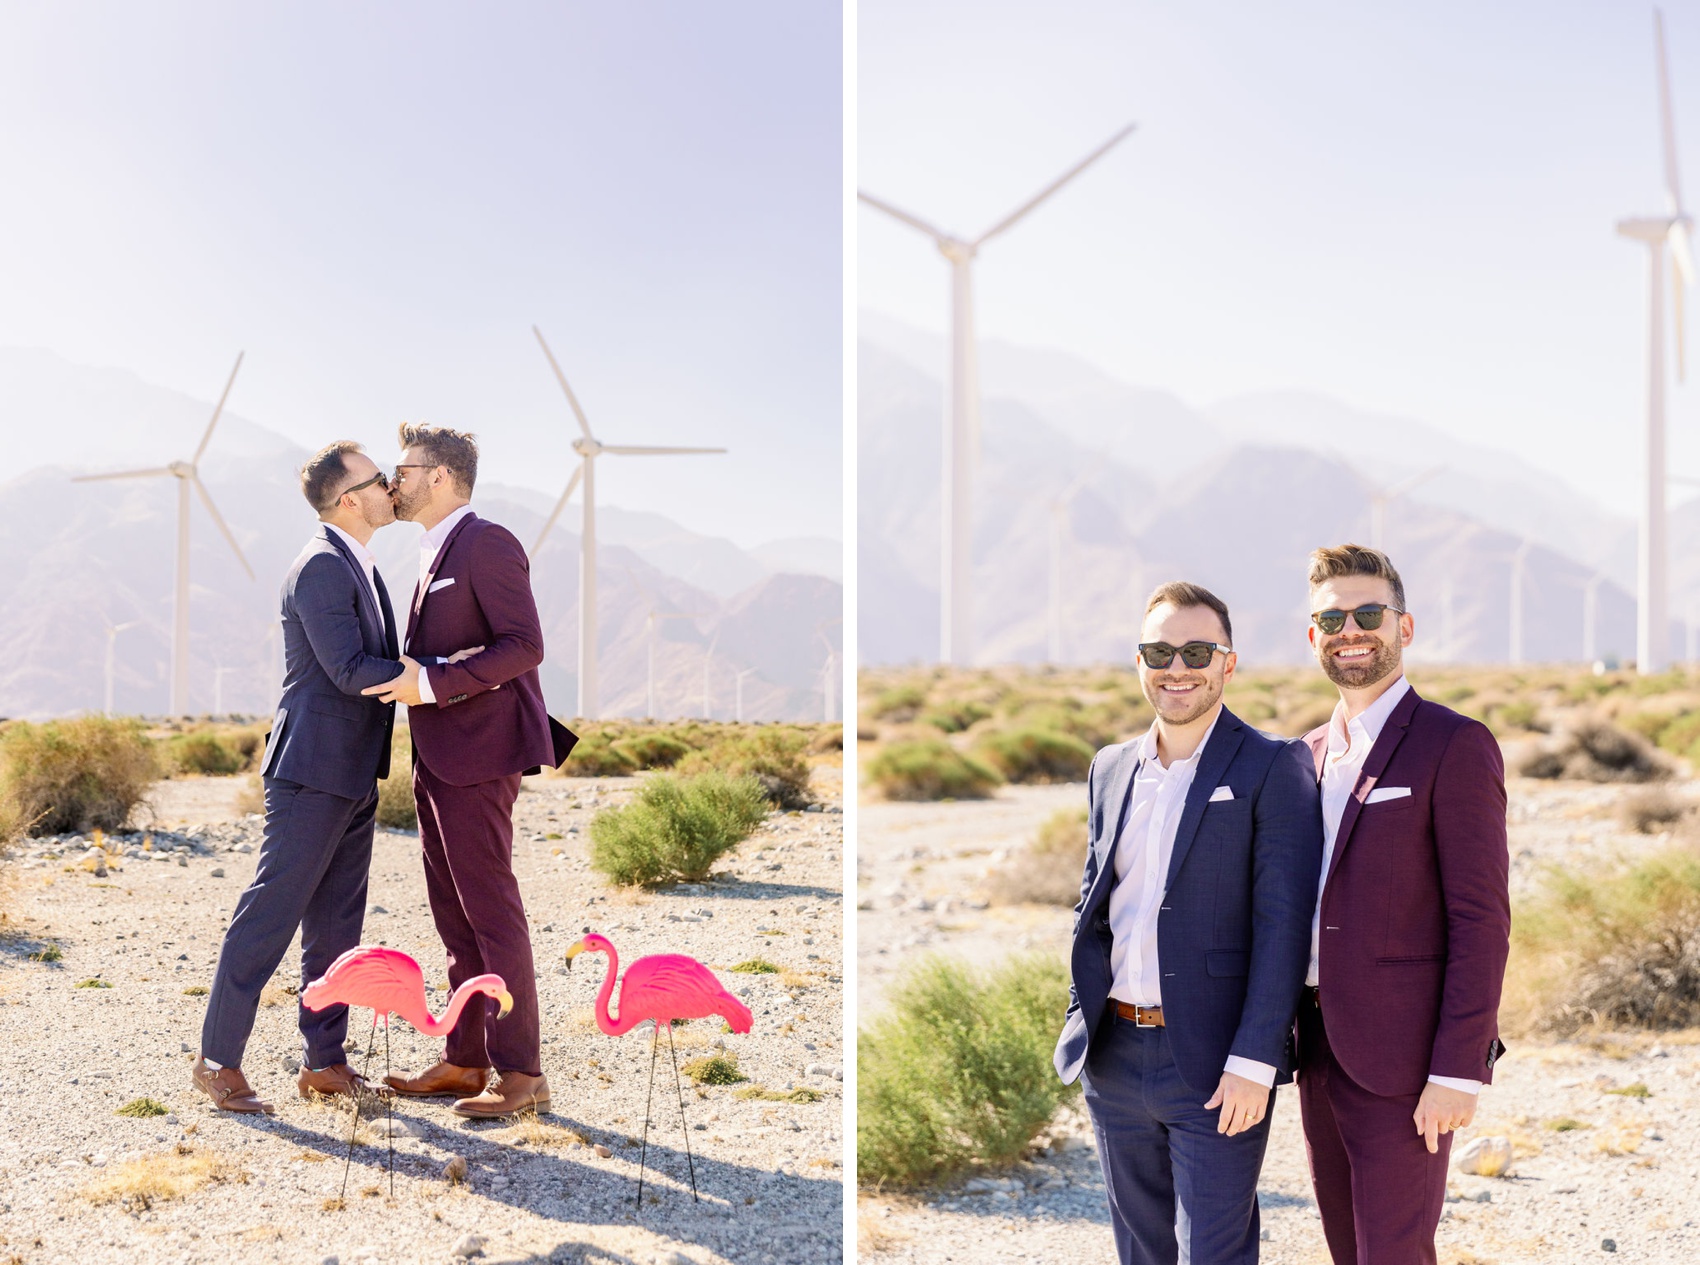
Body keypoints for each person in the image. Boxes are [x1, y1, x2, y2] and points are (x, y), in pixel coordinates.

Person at [1055, 582, 1322, 1265]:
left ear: (1228, 663)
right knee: (1142, 1251)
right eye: (1160, 650)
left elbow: (1283, 926)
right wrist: (1078, 1015)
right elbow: (1096, 908)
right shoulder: (1110, 767)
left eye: (1198, 650)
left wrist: (1256, 1058)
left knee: (1214, 1251)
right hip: (1113, 1055)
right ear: (1139, 662)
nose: (1179, 667)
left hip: (1214, 1062)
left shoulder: (1271, 764)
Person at [1296, 544, 1510, 1265]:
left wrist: (1459, 1068)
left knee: (1393, 1253)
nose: (1350, 629)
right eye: (1332, 617)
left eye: (1367, 613)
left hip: (1407, 1062)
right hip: (1317, 1053)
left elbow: (1481, 919)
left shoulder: (1455, 743)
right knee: (1346, 1250)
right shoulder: (1306, 754)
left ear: (1404, 627)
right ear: (1312, 635)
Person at [194, 442, 409, 1113]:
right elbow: (348, 669)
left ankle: (325, 1062)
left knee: (337, 927)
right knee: (271, 914)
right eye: (379, 479)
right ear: (349, 499)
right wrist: (433, 681)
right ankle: (216, 1058)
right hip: (312, 771)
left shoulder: (362, 567)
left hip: (351, 773)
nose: (391, 485)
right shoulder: (320, 566)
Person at [368, 423, 574, 1118]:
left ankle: (522, 1073)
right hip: (438, 757)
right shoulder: (433, 551)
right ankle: (465, 1057)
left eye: (403, 469)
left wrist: (430, 683)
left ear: (441, 477)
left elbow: (525, 645)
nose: (393, 483)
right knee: (455, 916)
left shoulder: (486, 542)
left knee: (491, 912)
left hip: (482, 754)